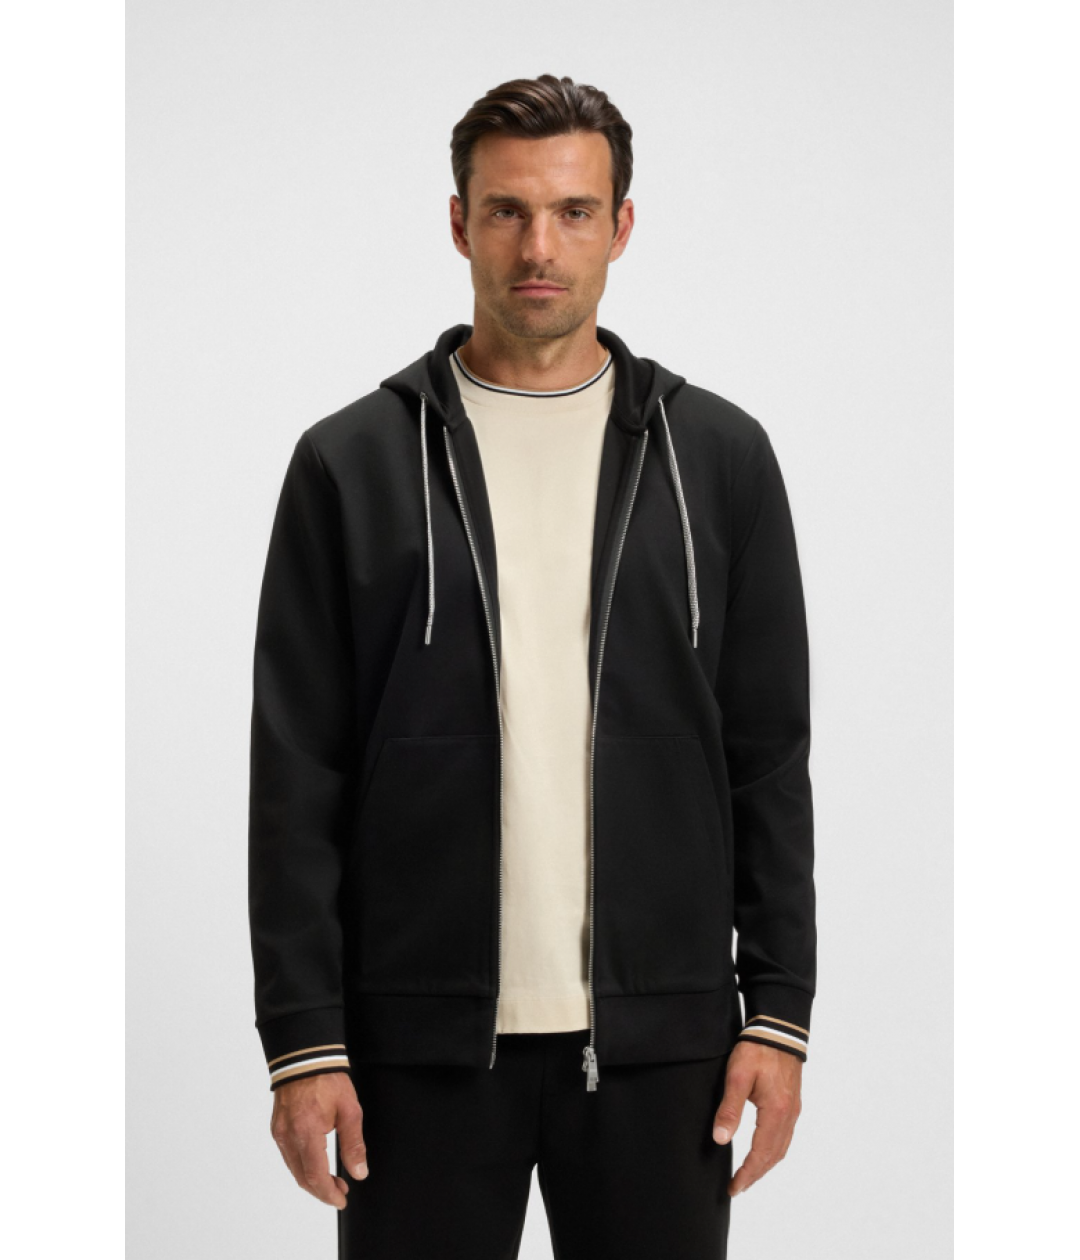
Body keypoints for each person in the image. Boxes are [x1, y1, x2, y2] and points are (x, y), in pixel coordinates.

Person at [248, 73, 816, 1260]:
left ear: (621, 225)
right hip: (413, 1047)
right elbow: (297, 774)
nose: (539, 247)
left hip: (664, 1047)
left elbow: (767, 759)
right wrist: (305, 1041)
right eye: (507, 211)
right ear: (460, 223)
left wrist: (777, 1013)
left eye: (572, 211)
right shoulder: (350, 463)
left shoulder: (717, 458)